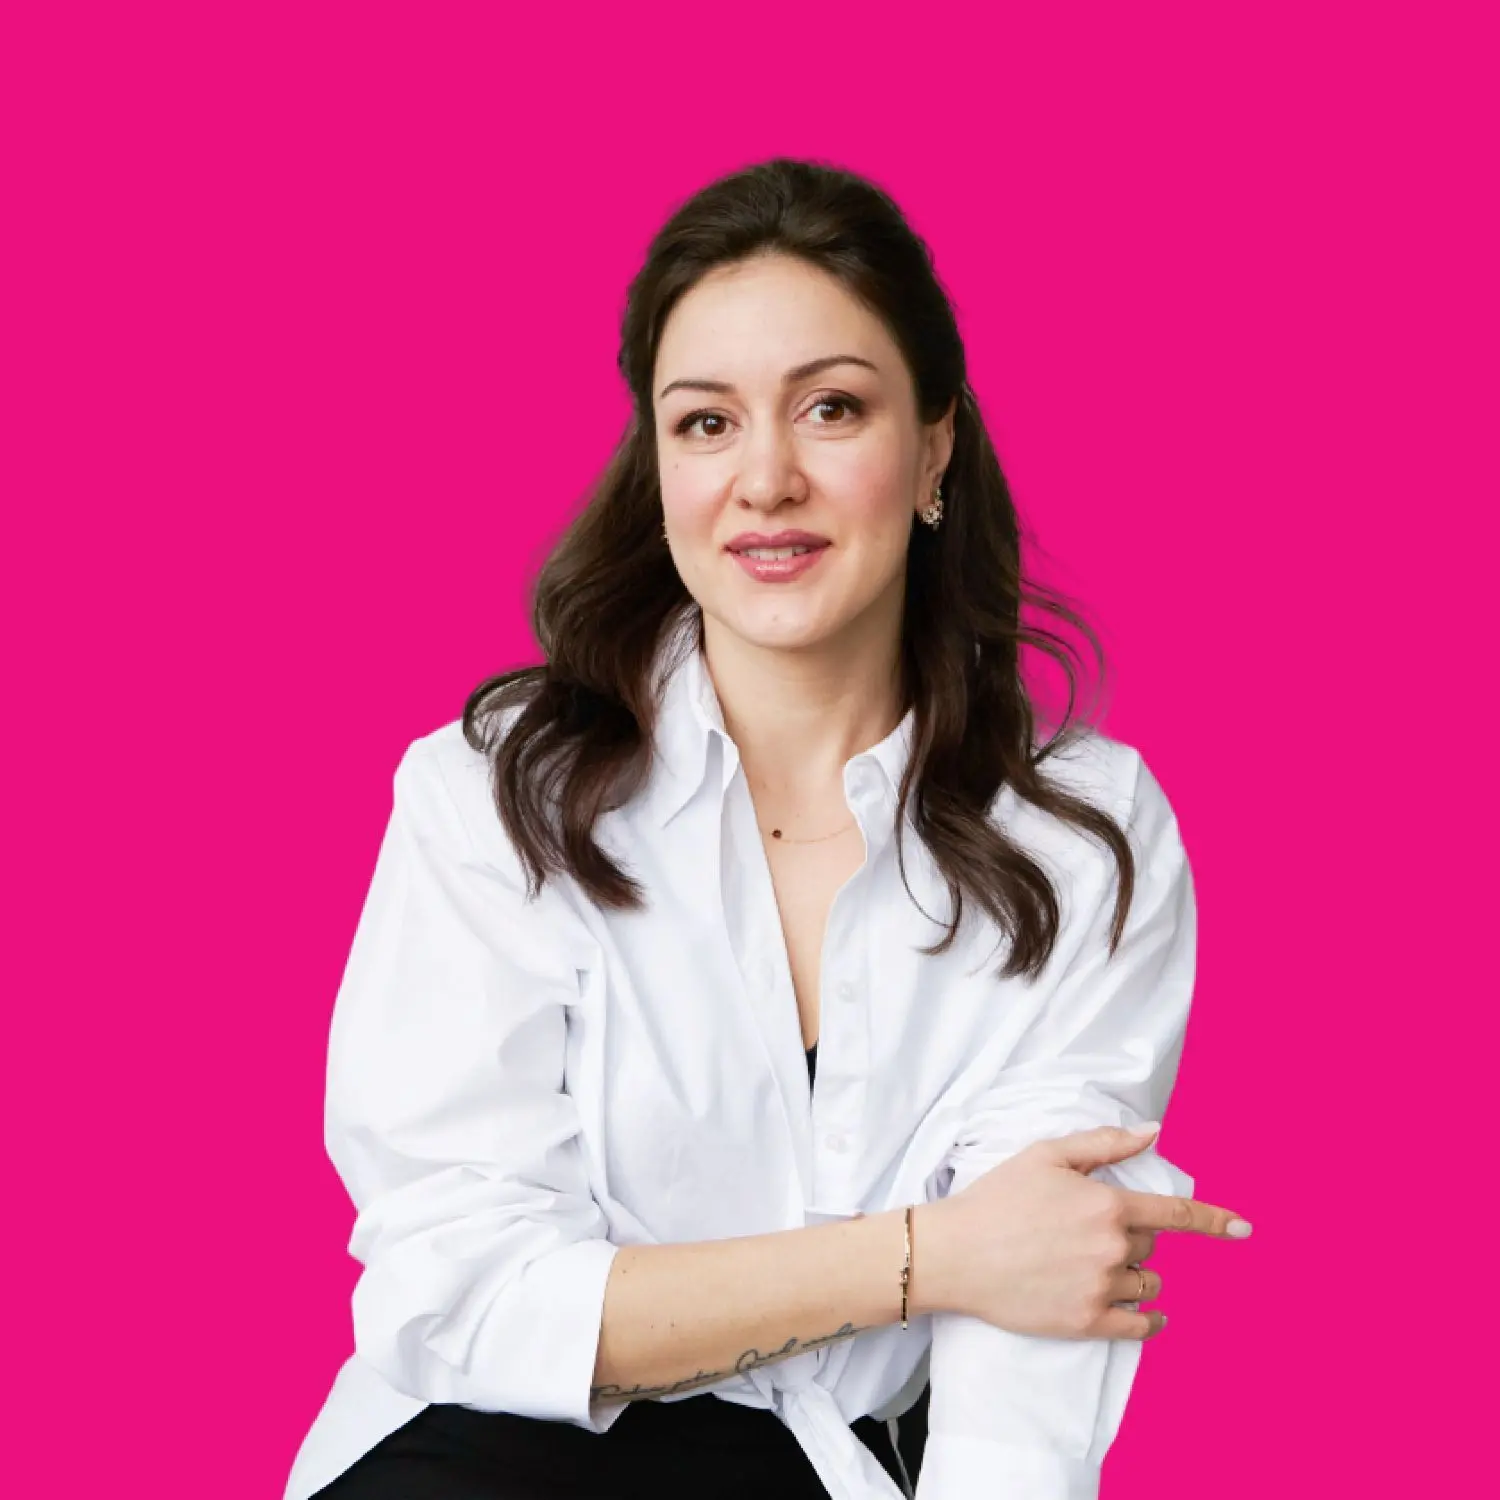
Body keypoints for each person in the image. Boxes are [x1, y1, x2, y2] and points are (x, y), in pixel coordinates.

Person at [282, 156, 1252, 1500]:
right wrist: (929, 1258)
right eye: (706, 423)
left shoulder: (1078, 834)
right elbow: (466, 1298)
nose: (766, 479)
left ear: (934, 447)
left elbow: (1026, 1344)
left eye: (831, 408)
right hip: (485, 1458)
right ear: (659, 465)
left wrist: (983, 1269)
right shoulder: (494, 794)